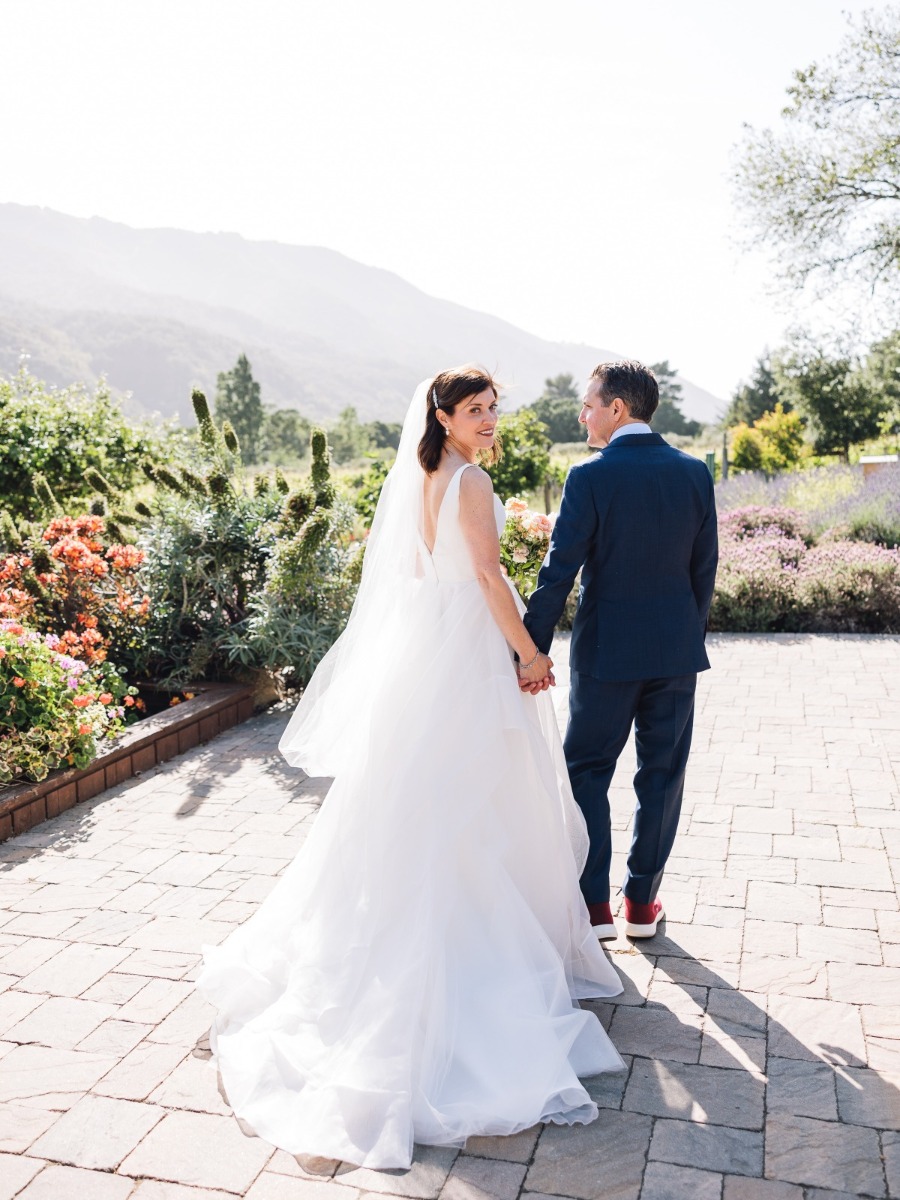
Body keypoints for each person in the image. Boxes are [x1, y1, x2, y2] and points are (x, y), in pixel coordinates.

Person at [197, 365, 624, 1172]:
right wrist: (529, 651)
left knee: (418, 802)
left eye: (494, 408)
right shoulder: (467, 481)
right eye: (475, 409)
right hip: (463, 650)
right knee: (475, 800)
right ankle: (463, 960)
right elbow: (491, 578)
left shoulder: (424, 473)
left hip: (427, 650)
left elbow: (433, 576)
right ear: (443, 414)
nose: (490, 420)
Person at [523, 360, 718, 941]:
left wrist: (529, 650)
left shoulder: (589, 477)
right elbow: (703, 570)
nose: (582, 413)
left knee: (586, 769)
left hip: (606, 656)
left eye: (588, 404)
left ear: (617, 409)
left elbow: (558, 573)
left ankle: (593, 910)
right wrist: (686, 634)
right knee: (662, 775)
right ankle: (640, 905)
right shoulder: (694, 472)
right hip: (675, 655)